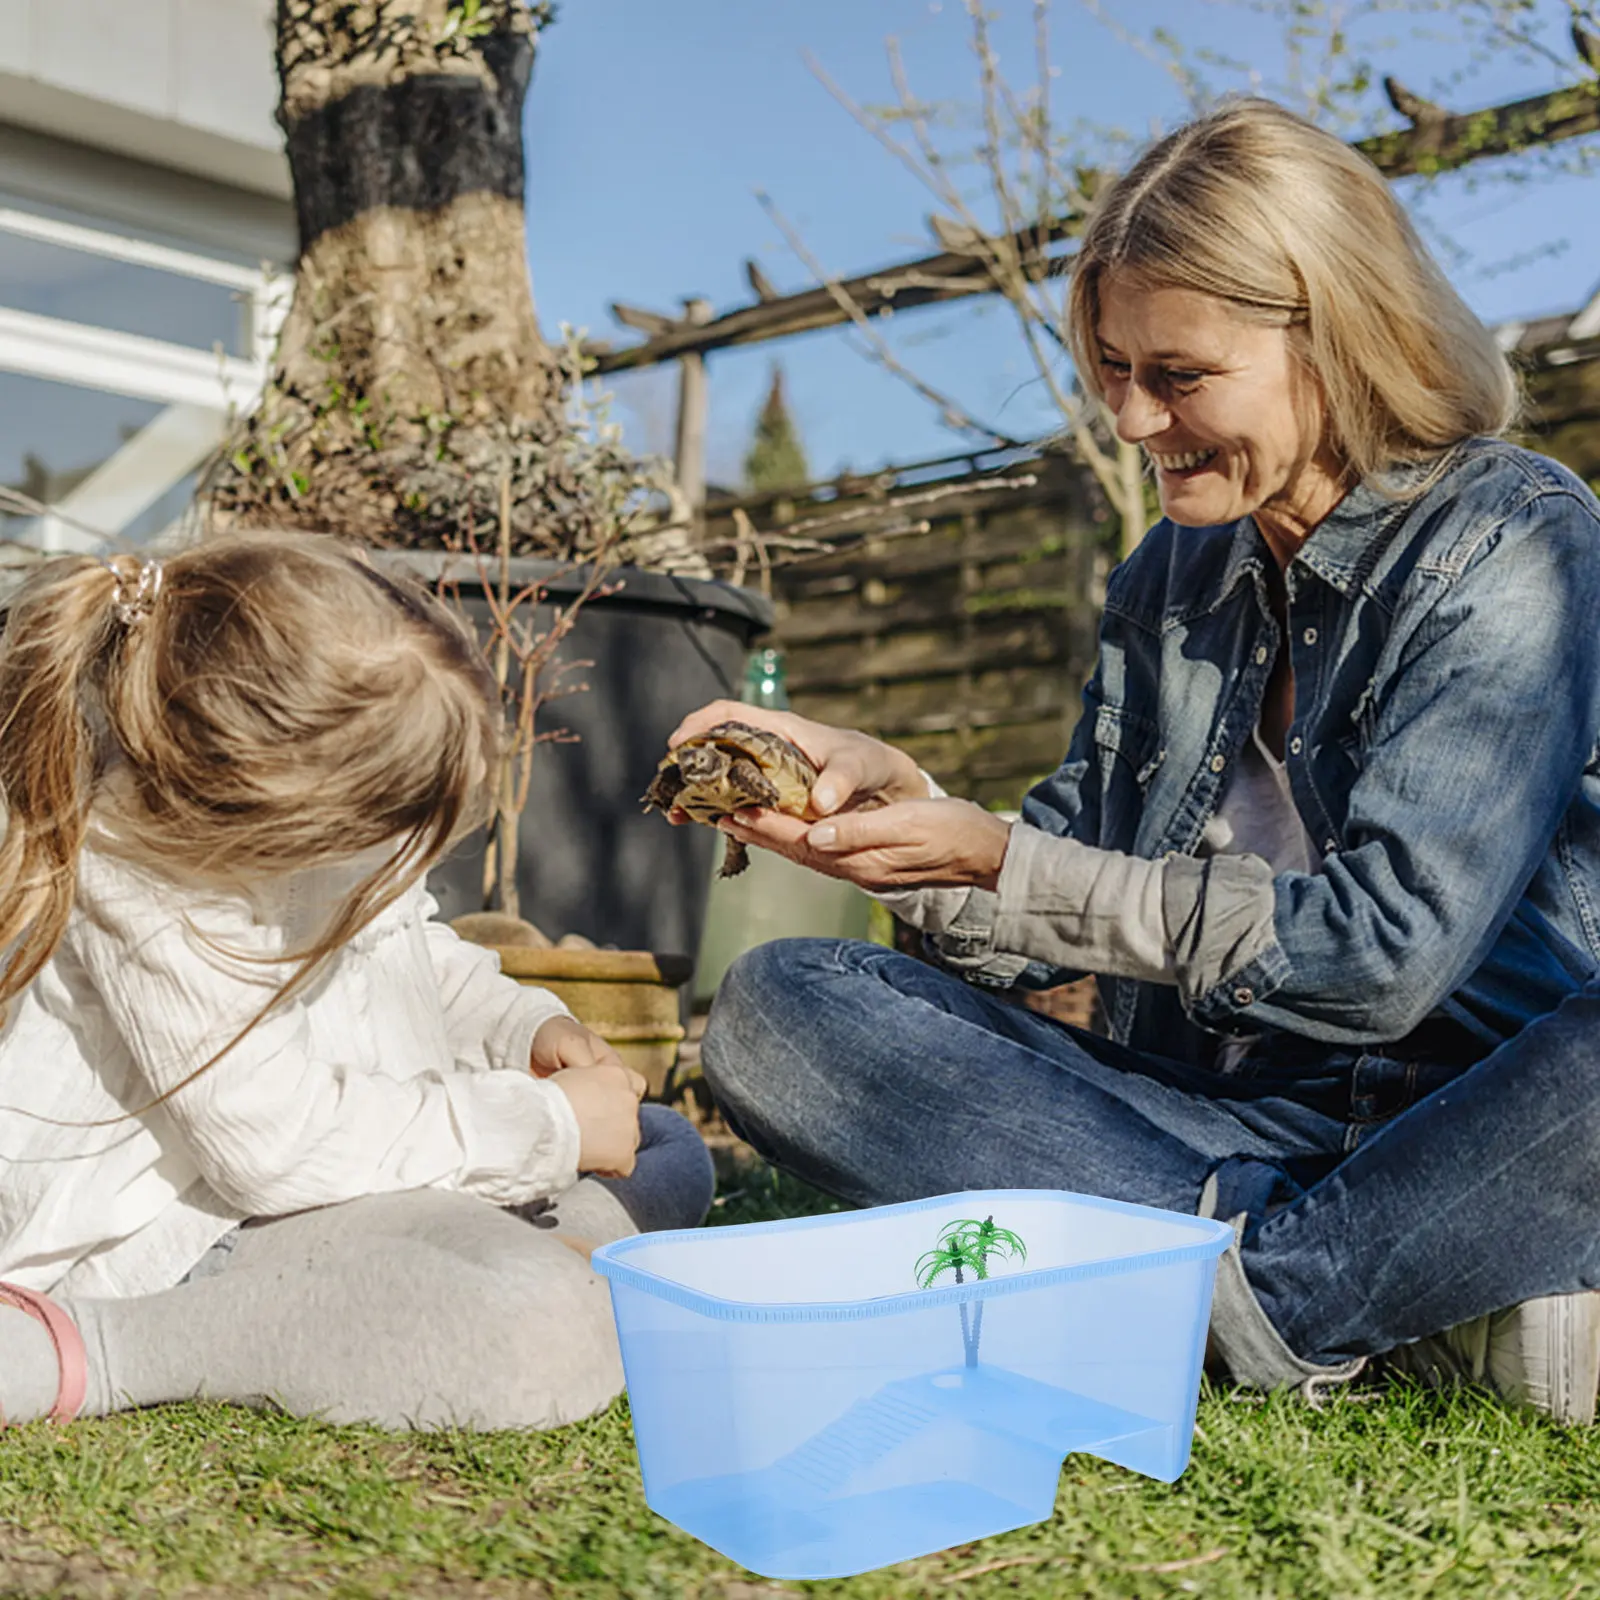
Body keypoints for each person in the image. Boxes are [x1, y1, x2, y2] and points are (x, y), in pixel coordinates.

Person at [680, 97, 1600, 1422]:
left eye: (1175, 375)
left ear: (1334, 338)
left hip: (1462, 1126)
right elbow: (1062, 902)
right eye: (1109, 368)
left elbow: (1384, 961)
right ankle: (1361, 1288)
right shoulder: (1177, 569)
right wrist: (903, 823)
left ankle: (1289, 1290)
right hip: (1217, 1128)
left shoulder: (1510, 537)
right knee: (783, 1006)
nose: (1126, 420)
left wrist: (1010, 861)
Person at [0, 531, 713, 1431]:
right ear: (292, 813)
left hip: (354, 1168)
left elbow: (416, 954)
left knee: (667, 1147)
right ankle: (105, 1349)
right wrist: (549, 1127)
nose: (410, 861)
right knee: (542, 1327)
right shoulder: (148, 880)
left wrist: (522, 1029)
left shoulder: (307, 830)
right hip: (183, 1231)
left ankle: (509, 1256)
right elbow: (274, 1149)